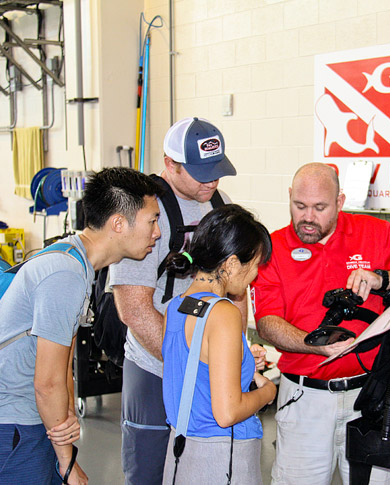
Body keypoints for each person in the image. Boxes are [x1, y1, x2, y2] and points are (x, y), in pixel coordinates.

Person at [0, 167, 162, 485]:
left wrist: (65, 420)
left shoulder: (75, 262)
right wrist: (66, 461)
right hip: (2, 425)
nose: (157, 233)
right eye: (152, 221)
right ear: (119, 223)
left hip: (24, 422)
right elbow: (48, 383)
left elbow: (62, 361)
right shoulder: (64, 275)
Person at [109, 117, 262, 484]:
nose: (211, 181)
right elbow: (133, 308)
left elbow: (235, 290)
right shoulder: (146, 213)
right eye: (200, 172)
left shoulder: (220, 205)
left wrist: (234, 353)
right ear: (170, 164)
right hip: (155, 368)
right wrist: (188, 362)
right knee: (149, 471)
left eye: (216, 171)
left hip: (209, 371)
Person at [250, 162, 390, 485]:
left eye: (320, 208)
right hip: (304, 399)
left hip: (370, 396)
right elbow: (268, 322)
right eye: (299, 206)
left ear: (340, 203)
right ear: (289, 197)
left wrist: (382, 278)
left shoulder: (376, 234)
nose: (308, 217)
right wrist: (314, 344)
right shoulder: (272, 249)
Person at [160, 204, 277, 484]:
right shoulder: (223, 313)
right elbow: (227, 412)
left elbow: (197, 373)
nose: (255, 276)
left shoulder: (176, 306)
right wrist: (268, 392)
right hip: (221, 459)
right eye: (255, 265)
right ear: (233, 263)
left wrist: (246, 370)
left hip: (181, 456)